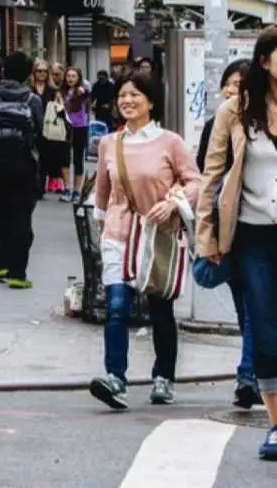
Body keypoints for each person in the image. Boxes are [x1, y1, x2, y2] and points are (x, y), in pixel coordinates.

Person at [90, 72, 201, 412]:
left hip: (157, 235)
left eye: (135, 95)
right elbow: (102, 195)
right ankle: (115, 377)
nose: (127, 101)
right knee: (117, 306)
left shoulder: (170, 142)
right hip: (118, 233)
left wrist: (173, 202)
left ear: (151, 102)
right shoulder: (110, 143)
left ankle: (163, 377)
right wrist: (102, 229)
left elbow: (196, 182)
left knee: (160, 309)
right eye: (123, 95)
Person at [199, 30, 277, 459]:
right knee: (264, 330)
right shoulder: (236, 110)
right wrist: (208, 235)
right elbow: (212, 176)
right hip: (254, 236)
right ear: (265, 61)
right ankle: (276, 425)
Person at [196, 58, 259, 412]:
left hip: (259, 223)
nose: (233, 89)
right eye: (229, 83)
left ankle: (249, 374)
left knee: (255, 305)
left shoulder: (261, 121)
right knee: (246, 307)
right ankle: (253, 368)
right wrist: (207, 235)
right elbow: (209, 175)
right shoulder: (217, 122)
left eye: (240, 83)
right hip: (229, 226)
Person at [0, 51, 45, 289]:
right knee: (22, 215)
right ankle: (18, 272)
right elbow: (38, 130)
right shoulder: (32, 99)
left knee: (0, 211)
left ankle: (0, 264)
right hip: (24, 163)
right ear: (26, 75)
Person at [30, 58, 66, 198]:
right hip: (31, 126)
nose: (42, 74)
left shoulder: (52, 90)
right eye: (39, 71)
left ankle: (40, 188)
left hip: (48, 127)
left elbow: (60, 109)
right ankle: (33, 186)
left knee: (44, 158)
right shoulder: (28, 89)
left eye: (45, 71)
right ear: (34, 72)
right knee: (32, 157)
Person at [61, 66, 91, 202]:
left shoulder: (80, 91)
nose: (70, 79)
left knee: (78, 159)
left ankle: (77, 190)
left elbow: (85, 93)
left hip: (80, 127)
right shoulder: (62, 92)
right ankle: (67, 188)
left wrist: (82, 90)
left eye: (73, 76)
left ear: (78, 78)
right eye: (68, 76)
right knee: (65, 158)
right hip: (65, 127)